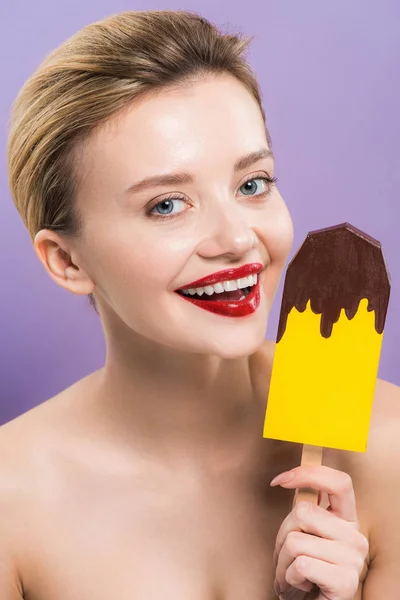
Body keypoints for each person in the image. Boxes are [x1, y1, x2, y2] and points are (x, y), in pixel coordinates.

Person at [2, 9, 399, 599]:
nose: (238, 239)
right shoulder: (13, 501)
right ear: (67, 260)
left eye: (252, 184)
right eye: (166, 205)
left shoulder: (385, 445)